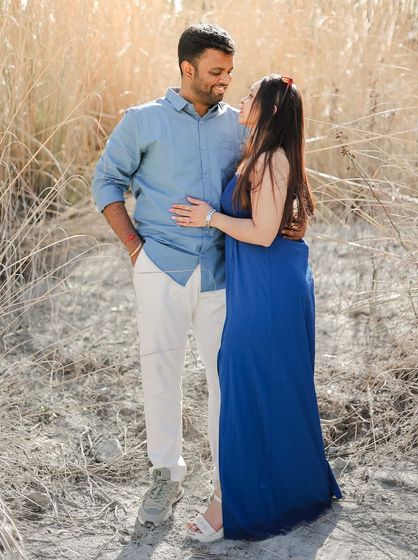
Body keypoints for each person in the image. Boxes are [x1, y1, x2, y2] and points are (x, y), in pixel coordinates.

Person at [92, 25, 304, 527]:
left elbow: (269, 178)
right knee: (160, 374)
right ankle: (166, 476)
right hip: (160, 267)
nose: (225, 81)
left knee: (225, 380)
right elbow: (106, 182)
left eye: (230, 72)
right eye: (215, 71)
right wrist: (134, 249)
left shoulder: (241, 124)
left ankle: (226, 484)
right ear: (187, 68)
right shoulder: (142, 120)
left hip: (223, 275)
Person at [170, 74, 343, 541]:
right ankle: (290, 491)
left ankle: (229, 504)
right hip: (266, 283)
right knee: (270, 387)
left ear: (267, 109)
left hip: (269, 289)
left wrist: (209, 217)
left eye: (251, 95)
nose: (242, 98)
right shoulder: (262, 154)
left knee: (247, 386)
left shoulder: (269, 160)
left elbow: (263, 233)